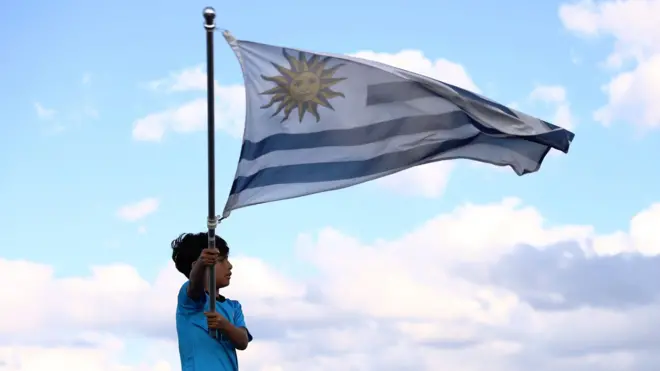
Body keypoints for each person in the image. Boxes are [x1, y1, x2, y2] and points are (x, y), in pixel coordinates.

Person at [171, 232, 252, 371]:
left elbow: (243, 341)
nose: (230, 265)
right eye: (221, 260)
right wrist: (201, 263)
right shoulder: (189, 300)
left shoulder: (234, 306)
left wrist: (225, 325)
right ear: (197, 265)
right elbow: (194, 286)